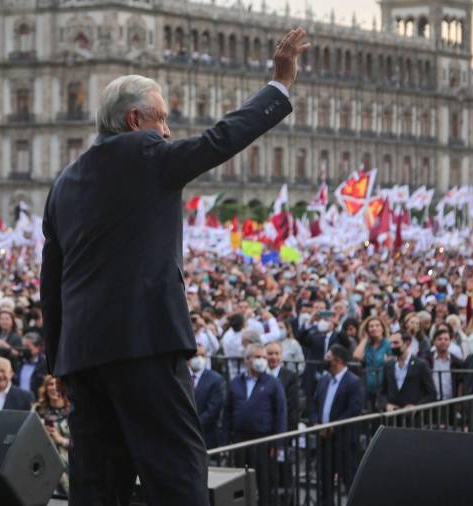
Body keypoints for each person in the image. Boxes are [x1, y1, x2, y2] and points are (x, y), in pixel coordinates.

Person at [40, 29, 308, 505]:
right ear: (134, 119)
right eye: (161, 119)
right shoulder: (146, 154)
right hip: (144, 344)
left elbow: (52, 280)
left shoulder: (65, 182)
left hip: (83, 357)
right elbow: (218, 141)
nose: (167, 131)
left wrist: (57, 359)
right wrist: (278, 87)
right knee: (177, 470)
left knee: (98, 480)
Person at [223, 344, 287, 506]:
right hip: (240, 440)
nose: (262, 361)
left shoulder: (273, 383)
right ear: (247, 360)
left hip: (263, 441)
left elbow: (280, 414)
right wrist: (225, 440)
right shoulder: (236, 383)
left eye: (264, 357)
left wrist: (277, 443)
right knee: (240, 481)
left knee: (265, 481)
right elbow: (227, 413)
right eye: (258, 357)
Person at [311, 345, 365, 506]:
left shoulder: (353, 382)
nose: (325, 360)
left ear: (338, 360)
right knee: (325, 480)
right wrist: (316, 424)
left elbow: (354, 409)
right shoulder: (324, 379)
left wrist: (333, 427)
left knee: (349, 480)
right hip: (324, 439)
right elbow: (314, 404)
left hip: (344, 440)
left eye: (328, 356)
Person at [378, 332, 436, 411]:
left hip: (414, 417)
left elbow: (431, 393)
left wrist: (417, 407)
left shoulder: (421, 364)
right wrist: (386, 405)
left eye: (396, 343)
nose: (392, 346)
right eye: (391, 343)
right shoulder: (388, 365)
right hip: (392, 416)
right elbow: (382, 391)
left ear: (407, 343)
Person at [34, 375, 71, 495]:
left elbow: (83, 445)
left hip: (68, 467)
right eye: (50, 384)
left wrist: (60, 439)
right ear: (45, 388)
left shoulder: (73, 411)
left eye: (57, 384)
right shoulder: (37, 410)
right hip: (43, 464)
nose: (54, 387)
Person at [189, 345, 225, 449]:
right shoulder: (181, 377)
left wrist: (194, 425)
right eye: (196, 355)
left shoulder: (216, 380)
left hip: (205, 435)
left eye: (202, 355)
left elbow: (213, 409)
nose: (199, 358)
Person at [353, 316, 391, 411]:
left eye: (377, 325)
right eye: (371, 326)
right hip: (368, 386)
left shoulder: (388, 344)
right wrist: (365, 339)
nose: (374, 328)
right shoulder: (367, 345)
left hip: (384, 387)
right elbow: (356, 356)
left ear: (382, 328)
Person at [265, 341, 301, 431]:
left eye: (277, 353)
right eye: (270, 353)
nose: (274, 357)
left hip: (281, 427)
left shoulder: (290, 376)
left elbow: (293, 406)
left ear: (281, 356)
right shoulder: (259, 374)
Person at [423, 327, 464, 401]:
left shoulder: (457, 362)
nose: (443, 341)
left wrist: (459, 402)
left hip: (450, 402)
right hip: (430, 402)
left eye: (446, 339)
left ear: (450, 342)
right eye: (439, 339)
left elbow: (460, 383)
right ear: (434, 342)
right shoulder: (426, 359)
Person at [15, 331, 46, 400]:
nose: (24, 349)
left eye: (27, 347)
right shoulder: (19, 363)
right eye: (23, 346)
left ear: (37, 348)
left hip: (36, 402)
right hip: (20, 401)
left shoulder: (44, 365)